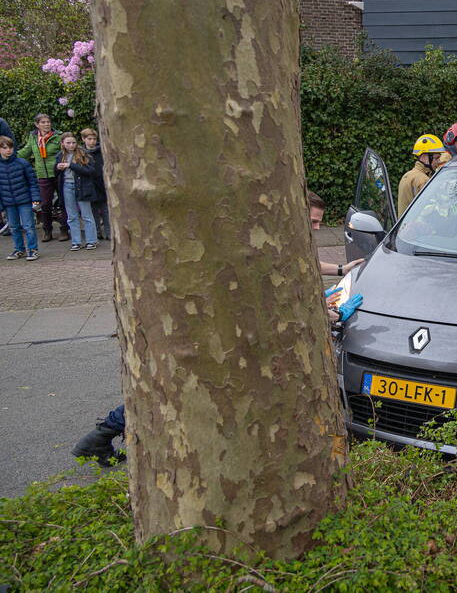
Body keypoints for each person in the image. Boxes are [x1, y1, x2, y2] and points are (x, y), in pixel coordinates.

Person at [74, 193, 364, 465]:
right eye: (312, 221)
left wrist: (340, 270)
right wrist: (324, 314)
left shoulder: (274, 234)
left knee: (176, 388)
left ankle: (104, 436)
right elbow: (279, 292)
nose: (316, 227)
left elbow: (300, 266)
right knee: (177, 390)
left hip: (211, 324)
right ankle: (106, 435)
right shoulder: (268, 241)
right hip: (210, 329)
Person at [17, 114, 69, 242]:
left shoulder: (58, 136)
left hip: (58, 173)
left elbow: (66, 152)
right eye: (43, 122)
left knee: (63, 202)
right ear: (37, 124)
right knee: (45, 204)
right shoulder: (33, 137)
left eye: (48, 122)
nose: (47, 124)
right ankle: (47, 230)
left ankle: (64, 229)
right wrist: (10, 157)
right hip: (42, 175)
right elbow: (26, 151)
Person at [54, 133, 100, 251]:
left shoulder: (83, 153)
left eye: (73, 142)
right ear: (63, 143)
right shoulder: (60, 155)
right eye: (68, 143)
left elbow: (90, 170)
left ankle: (91, 241)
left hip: (82, 186)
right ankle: (76, 242)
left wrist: (71, 165)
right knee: (72, 215)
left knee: (86, 215)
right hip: (67, 186)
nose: (71, 145)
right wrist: (57, 167)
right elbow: (56, 173)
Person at [0, 136, 41, 261]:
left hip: (24, 200)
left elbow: (32, 183)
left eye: (11, 147)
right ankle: (19, 250)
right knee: (14, 227)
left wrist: (36, 198)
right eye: (5, 148)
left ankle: (33, 249)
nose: (8, 150)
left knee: (29, 226)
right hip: (8, 202)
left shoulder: (22, 163)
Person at [398, 134, 446, 215]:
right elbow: (430, 214)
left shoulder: (407, 175)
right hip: (416, 227)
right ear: (424, 157)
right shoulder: (422, 180)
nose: (439, 162)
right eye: (436, 158)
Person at [80, 128, 110, 240]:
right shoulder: (81, 153)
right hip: (89, 184)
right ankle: (97, 232)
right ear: (83, 139)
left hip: (102, 183)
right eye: (89, 139)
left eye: (94, 139)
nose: (92, 141)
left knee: (106, 210)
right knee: (93, 211)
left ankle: (109, 232)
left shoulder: (101, 151)